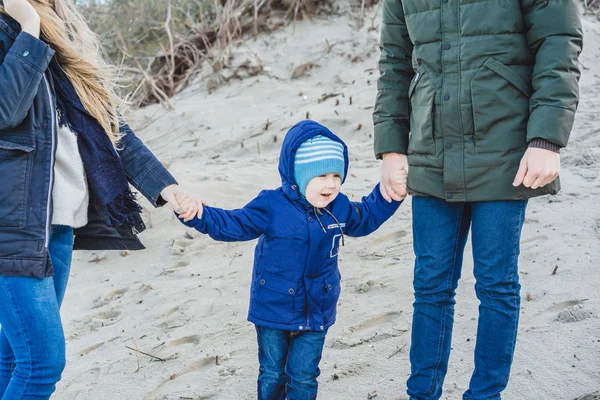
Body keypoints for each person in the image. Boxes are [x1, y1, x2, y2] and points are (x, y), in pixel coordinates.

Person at [373, 1, 583, 399]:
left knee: (496, 283)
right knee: (430, 284)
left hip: (504, 148)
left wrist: (547, 139)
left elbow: (558, 44)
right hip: (431, 148)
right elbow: (395, 62)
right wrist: (391, 148)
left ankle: (485, 395)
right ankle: (421, 394)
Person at [0, 0, 199, 398]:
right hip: (12, 226)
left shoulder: (61, 31)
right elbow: (5, 110)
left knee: (13, 355)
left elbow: (107, 124)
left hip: (57, 225)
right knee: (42, 363)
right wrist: (28, 25)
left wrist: (163, 185)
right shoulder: (24, 29)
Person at [176, 120, 406, 400]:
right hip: (274, 308)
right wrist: (198, 214)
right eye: (320, 176)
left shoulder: (339, 207)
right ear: (298, 174)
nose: (331, 184)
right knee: (273, 372)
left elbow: (367, 217)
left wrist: (390, 195)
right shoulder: (272, 205)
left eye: (336, 175)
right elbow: (233, 224)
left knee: (304, 376)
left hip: (318, 307)